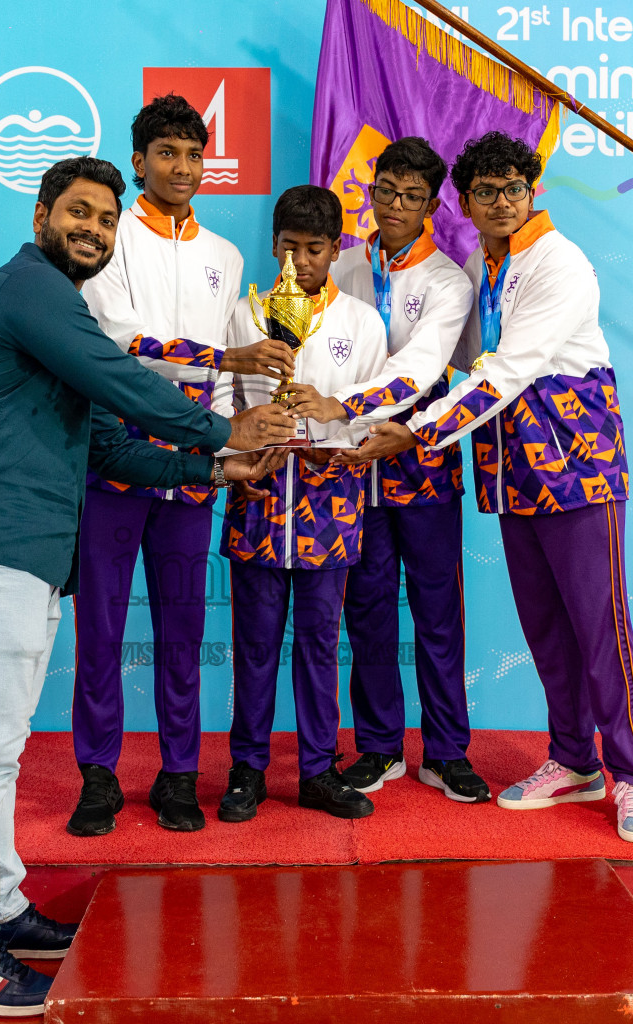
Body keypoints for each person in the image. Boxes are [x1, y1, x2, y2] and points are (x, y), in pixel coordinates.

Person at [0, 156, 293, 1018]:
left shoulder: (59, 307)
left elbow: (111, 442)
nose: (93, 228)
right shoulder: (28, 287)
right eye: (78, 212)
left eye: (106, 218)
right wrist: (221, 421)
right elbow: (124, 383)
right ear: (43, 214)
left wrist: (220, 464)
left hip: (21, 556)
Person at [347, 131, 633, 844]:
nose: (498, 202)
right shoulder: (479, 264)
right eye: (485, 191)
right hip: (513, 474)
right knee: (548, 632)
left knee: (600, 630)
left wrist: (419, 433)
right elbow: (454, 366)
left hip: (577, 469)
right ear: (465, 202)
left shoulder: (560, 264)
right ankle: (573, 760)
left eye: (511, 189)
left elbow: (503, 373)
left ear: (532, 191)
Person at [67, 95, 297, 838]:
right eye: (167, 153)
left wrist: (241, 440)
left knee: (182, 629)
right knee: (101, 626)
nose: (183, 167)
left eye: (194, 155)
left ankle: (176, 777)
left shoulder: (225, 258)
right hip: (115, 448)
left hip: (194, 457)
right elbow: (121, 342)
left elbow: (234, 378)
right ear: (139, 162)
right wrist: (224, 363)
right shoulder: (110, 239)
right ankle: (98, 777)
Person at [276, 137, 487, 803]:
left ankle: (448, 751)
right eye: (386, 191)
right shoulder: (343, 264)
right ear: (370, 192)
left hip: (418, 453)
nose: (396, 205)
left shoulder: (449, 281)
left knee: (437, 611)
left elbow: (419, 370)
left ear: (432, 205)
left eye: (412, 196)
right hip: (348, 466)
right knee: (365, 611)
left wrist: (348, 406)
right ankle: (377, 746)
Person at [217, 184, 391, 823]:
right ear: (273, 244)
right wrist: (236, 449)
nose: (300, 263)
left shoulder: (360, 321)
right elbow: (223, 398)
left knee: (320, 641)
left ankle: (319, 768)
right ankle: (247, 770)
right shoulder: (244, 314)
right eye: (289, 248)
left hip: (331, 497)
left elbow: (378, 408)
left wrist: (329, 422)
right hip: (260, 492)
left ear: (335, 248)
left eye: (314, 250)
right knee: (254, 643)